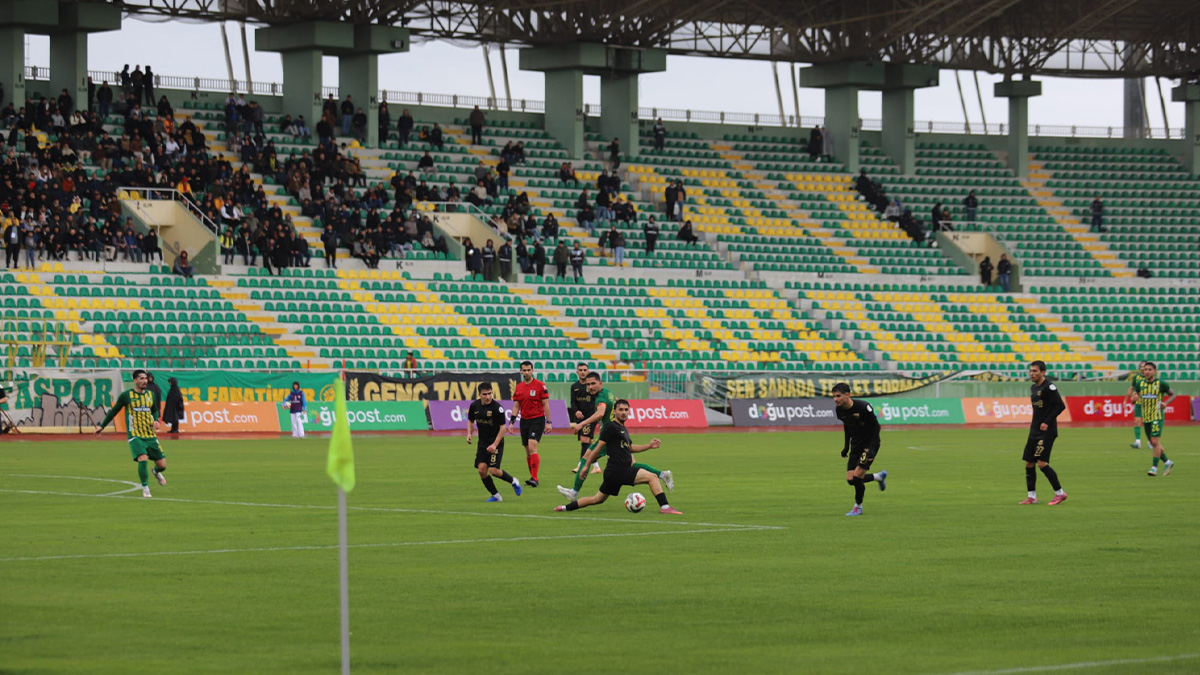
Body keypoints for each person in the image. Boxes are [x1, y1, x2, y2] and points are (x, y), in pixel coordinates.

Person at [554, 399, 681, 515]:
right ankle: (665, 507)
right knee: (652, 477)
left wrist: (649, 446)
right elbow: (597, 448)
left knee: (597, 499)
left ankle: (565, 508)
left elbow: (630, 448)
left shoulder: (622, 428)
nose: (624, 412)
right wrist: (586, 466)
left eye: (626, 410)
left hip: (614, 473)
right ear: (614, 411)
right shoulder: (611, 427)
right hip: (619, 470)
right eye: (620, 410)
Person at [558, 372, 671, 501]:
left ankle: (574, 492)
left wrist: (580, 424)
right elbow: (617, 401)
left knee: (586, 458)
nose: (590, 387)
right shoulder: (608, 392)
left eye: (593, 383)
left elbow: (600, 413)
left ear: (600, 383)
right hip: (617, 432)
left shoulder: (601, 398)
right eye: (588, 384)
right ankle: (662, 474)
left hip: (609, 436)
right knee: (631, 463)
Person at [94, 370, 167, 499]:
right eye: (141, 378)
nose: (144, 381)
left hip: (150, 434)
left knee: (162, 465)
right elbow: (114, 411)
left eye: (145, 378)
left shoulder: (150, 395)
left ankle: (155, 471)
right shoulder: (126, 396)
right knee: (142, 458)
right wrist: (102, 426)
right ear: (134, 381)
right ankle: (145, 488)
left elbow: (155, 410)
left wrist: (156, 420)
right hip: (135, 434)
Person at [832, 383, 888, 516]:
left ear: (848, 395)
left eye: (838, 396)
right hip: (856, 445)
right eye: (834, 396)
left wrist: (872, 449)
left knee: (857, 477)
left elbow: (876, 427)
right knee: (851, 479)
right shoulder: (839, 410)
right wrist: (846, 446)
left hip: (869, 443)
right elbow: (848, 427)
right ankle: (878, 477)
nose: (835, 399)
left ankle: (858, 507)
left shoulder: (863, 407)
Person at [1019, 361, 1068, 506]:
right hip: (1034, 430)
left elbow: (1060, 405)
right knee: (1029, 463)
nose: (1032, 374)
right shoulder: (1033, 387)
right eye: (1030, 371)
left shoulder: (1049, 387)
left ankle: (1060, 493)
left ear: (1043, 372)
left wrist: (1047, 421)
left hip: (1047, 432)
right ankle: (1031, 497)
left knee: (1042, 463)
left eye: (1035, 371)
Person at [467, 383, 523, 502]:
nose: (488, 397)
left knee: (494, 470)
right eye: (485, 394)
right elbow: (471, 421)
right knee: (482, 470)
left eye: (490, 393)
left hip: (496, 442)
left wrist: (494, 444)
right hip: (482, 443)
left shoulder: (497, 408)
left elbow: (503, 428)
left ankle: (514, 481)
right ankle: (496, 496)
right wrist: (469, 433)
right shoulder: (474, 406)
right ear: (479, 394)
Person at [1128, 361, 1176, 476]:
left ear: (1154, 371)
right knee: (1154, 443)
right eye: (1145, 370)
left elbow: (1173, 394)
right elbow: (1134, 398)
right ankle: (1168, 462)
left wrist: (1166, 403)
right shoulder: (1140, 384)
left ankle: (1154, 468)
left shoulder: (1161, 384)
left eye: (1150, 369)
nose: (1147, 372)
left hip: (1157, 416)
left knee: (1154, 442)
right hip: (1146, 417)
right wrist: (1133, 399)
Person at [509, 361, 552, 487]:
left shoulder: (540, 385)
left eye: (529, 370)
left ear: (532, 370)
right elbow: (516, 406)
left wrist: (548, 422)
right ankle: (532, 477)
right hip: (524, 421)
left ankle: (534, 478)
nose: (526, 372)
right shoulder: (519, 387)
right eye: (524, 370)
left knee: (532, 446)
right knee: (527, 451)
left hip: (537, 419)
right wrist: (512, 421)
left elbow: (546, 405)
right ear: (521, 371)